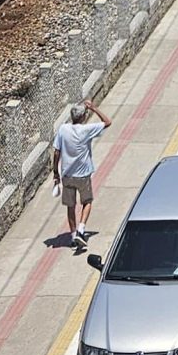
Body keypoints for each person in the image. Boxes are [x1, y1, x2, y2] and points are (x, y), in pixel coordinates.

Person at [54, 97, 111, 249]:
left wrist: (55, 173)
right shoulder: (86, 130)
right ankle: (81, 229)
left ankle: (73, 237)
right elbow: (107, 122)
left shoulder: (63, 129)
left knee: (70, 206)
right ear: (83, 117)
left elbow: (56, 152)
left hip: (67, 175)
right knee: (87, 202)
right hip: (83, 175)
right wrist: (93, 108)